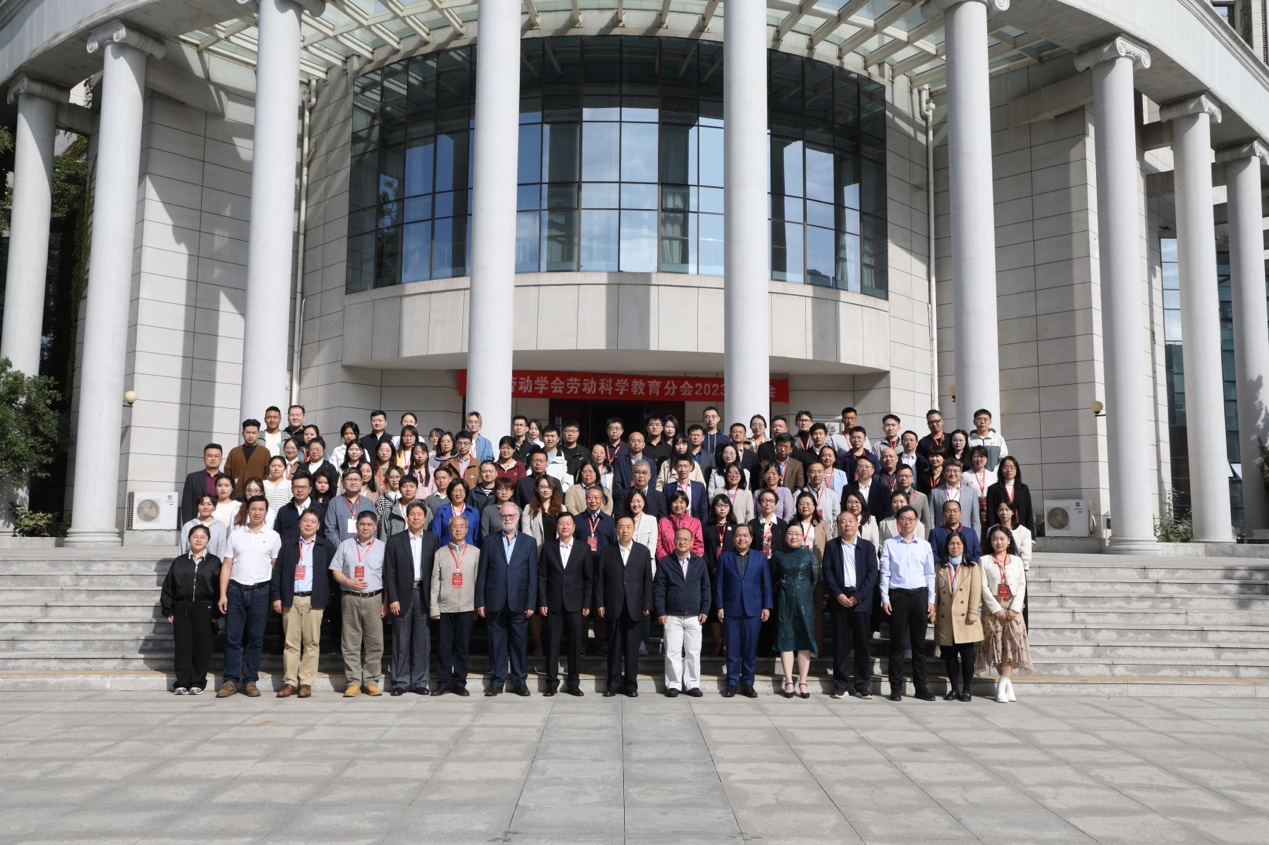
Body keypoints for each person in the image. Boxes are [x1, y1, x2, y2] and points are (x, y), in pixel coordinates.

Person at [216, 497, 281, 698]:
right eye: (254, 509)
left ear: (266, 512)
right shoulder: (235, 535)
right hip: (235, 590)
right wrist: (223, 594)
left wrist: (275, 595)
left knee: (256, 639)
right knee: (232, 639)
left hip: (261, 592)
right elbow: (227, 566)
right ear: (248, 511)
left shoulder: (273, 536)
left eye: (261, 509)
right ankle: (230, 680)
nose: (257, 512)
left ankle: (250, 680)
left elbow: (275, 567)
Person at [270, 508, 335, 698]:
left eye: (313, 522)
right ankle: (290, 682)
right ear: (299, 523)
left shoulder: (325, 546)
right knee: (291, 643)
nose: (309, 524)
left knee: (312, 643)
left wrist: (326, 596)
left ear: (318, 526)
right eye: (306, 520)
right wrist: (277, 596)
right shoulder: (288, 545)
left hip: (313, 601)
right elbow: (278, 572)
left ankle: (306, 682)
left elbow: (333, 573)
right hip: (291, 599)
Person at [475, 502, 537, 697]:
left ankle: (520, 681)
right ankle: (497, 681)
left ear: (518, 517)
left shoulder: (529, 542)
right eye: (504, 516)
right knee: (496, 643)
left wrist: (531, 602)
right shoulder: (489, 541)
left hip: (519, 600)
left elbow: (533, 575)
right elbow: (482, 573)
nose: (507, 519)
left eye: (511, 516)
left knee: (519, 643)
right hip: (495, 599)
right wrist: (480, 601)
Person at [879, 506, 937, 702]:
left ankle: (921, 687)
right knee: (896, 644)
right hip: (898, 596)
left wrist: (931, 599)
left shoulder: (924, 545)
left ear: (916, 522)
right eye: (903, 519)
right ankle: (896, 687)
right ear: (898, 521)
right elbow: (885, 572)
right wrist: (885, 598)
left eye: (911, 519)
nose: (907, 522)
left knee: (919, 645)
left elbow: (930, 574)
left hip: (920, 595)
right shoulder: (889, 544)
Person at [385, 500, 439, 696]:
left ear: (425, 518)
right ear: (406, 518)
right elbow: (389, 572)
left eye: (419, 514)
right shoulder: (395, 540)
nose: (416, 517)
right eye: (412, 514)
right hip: (402, 595)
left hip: (424, 594)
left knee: (422, 640)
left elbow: (436, 571)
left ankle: (420, 682)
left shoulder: (433, 539)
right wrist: (392, 598)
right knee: (400, 639)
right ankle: (400, 682)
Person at [161, 524, 223, 695]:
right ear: (189, 539)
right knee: (183, 646)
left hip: (206, 608)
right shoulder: (179, 562)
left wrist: (216, 612)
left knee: (202, 647)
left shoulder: (214, 562)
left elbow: (219, 589)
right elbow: (168, 587)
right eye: (195, 536)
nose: (198, 540)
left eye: (203, 537)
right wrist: (168, 610)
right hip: (182, 608)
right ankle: (181, 683)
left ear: (208, 540)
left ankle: (197, 682)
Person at [823, 510, 878, 699]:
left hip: (861, 600)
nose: (847, 524)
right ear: (838, 525)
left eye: (850, 521)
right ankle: (841, 685)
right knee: (840, 644)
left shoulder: (867, 546)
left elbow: (872, 573)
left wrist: (858, 596)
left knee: (862, 644)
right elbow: (827, 571)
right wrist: (838, 594)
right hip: (839, 599)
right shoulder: (831, 546)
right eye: (843, 521)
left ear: (857, 524)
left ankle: (862, 685)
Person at [597, 516, 653, 697]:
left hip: (635, 606)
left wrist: (647, 603)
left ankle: (630, 685)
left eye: (628, 527)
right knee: (614, 648)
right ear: (616, 530)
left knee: (632, 649)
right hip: (613, 605)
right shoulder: (607, 551)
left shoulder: (643, 551)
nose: (625, 530)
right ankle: (612, 685)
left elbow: (647, 580)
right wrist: (600, 603)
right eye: (621, 527)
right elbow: (601, 580)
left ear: (634, 529)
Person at [537, 512, 592, 696]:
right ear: (557, 527)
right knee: (552, 645)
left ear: (574, 527)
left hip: (576, 604)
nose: (565, 526)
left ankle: (573, 683)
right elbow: (542, 576)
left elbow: (588, 579)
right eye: (561, 523)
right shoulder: (548, 547)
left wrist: (587, 602)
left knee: (575, 645)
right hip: (553, 604)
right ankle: (551, 684)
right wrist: (542, 600)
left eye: (568, 523)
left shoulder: (583, 548)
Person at [714, 524, 771, 698]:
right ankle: (731, 683)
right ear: (733, 538)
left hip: (753, 609)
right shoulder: (725, 557)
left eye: (745, 535)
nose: (742, 538)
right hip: (731, 609)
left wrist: (767, 606)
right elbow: (719, 585)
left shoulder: (760, 557)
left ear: (751, 538)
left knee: (749, 650)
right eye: (738, 535)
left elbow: (766, 584)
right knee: (732, 649)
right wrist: (720, 606)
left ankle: (748, 683)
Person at [654, 527, 711, 698]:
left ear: (692, 542)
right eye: (679, 538)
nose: (682, 542)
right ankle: (673, 684)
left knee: (693, 651)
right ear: (674, 541)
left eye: (686, 539)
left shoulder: (700, 563)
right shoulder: (665, 562)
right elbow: (659, 589)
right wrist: (660, 611)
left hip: (694, 615)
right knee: (672, 652)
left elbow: (706, 588)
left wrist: (705, 609)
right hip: (672, 615)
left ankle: (692, 684)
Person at [978, 525, 1031, 703]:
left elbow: (1022, 585)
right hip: (993, 608)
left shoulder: (1017, 560)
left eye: (1002, 538)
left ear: (1009, 541)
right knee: (996, 646)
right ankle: (1006, 684)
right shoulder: (984, 560)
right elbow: (983, 587)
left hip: (1013, 606)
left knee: (1012, 644)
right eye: (995, 539)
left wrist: (1015, 608)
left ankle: (1002, 684)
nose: (998, 542)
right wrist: (996, 609)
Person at [430, 515, 480, 696]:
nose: (458, 529)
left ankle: (459, 682)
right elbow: (435, 582)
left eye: (461, 526)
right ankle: (444, 682)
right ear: (449, 529)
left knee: (462, 647)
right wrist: (434, 607)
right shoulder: (440, 553)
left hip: (466, 607)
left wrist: (477, 605)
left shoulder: (475, 552)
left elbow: (478, 581)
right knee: (444, 647)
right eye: (454, 526)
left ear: (467, 530)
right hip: (445, 607)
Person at [933, 531, 982, 702]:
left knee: (967, 655)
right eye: (952, 544)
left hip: (966, 617)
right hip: (946, 617)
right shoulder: (940, 567)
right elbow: (935, 593)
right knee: (950, 655)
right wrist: (934, 613)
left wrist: (973, 612)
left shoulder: (972, 566)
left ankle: (966, 690)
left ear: (964, 546)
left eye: (958, 544)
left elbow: (976, 591)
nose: (955, 547)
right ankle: (954, 689)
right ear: (947, 546)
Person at [771, 523, 818, 699]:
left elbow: (815, 579)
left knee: (804, 640)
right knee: (786, 640)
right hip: (784, 603)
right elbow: (773, 577)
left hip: (804, 603)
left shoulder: (809, 555)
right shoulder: (778, 555)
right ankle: (789, 681)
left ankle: (803, 681)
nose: (793, 536)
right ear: (785, 536)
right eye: (790, 533)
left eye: (797, 533)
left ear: (803, 536)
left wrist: (803, 593)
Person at [702, 494, 736, 657]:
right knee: (714, 609)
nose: (722, 508)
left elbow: (738, 550)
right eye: (718, 505)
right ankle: (717, 642)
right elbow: (702, 549)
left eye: (725, 505)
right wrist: (711, 566)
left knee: (728, 609)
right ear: (713, 507)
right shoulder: (707, 527)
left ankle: (727, 643)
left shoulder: (735, 527)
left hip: (731, 575)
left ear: (730, 508)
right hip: (711, 573)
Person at [324, 468, 378, 546]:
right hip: (340, 549)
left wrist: (368, 547)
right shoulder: (334, 503)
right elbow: (330, 529)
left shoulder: (369, 504)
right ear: (343, 482)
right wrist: (342, 548)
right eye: (349, 479)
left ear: (361, 482)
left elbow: (374, 529)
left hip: (365, 549)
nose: (353, 482)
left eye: (356, 479)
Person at [985, 456, 1035, 539]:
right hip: (1000, 533)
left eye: (1012, 467)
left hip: (1020, 531)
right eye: (1005, 467)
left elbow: (1028, 512)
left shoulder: (1023, 489)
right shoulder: (993, 489)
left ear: (1017, 469)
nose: (1009, 470)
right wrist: (991, 534)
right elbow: (990, 514)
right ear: (1000, 470)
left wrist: (1032, 537)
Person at [225, 420, 273, 498]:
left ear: (258, 434)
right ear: (243, 434)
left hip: (256, 496)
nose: (250, 436)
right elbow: (227, 472)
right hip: (236, 495)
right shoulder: (234, 452)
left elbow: (268, 473)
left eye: (254, 433)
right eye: (248, 432)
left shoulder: (264, 452)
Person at [930, 462, 981, 535]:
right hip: (942, 535)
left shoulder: (971, 492)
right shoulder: (935, 492)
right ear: (943, 473)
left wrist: (976, 538)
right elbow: (931, 518)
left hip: (965, 535)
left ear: (961, 473)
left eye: (956, 471)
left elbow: (975, 520)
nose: (952, 474)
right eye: (948, 471)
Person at [180, 443, 224, 525]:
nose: (213, 459)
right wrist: (188, 526)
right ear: (204, 459)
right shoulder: (192, 478)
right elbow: (187, 505)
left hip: (221, 521)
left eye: (216, 456)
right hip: (198, 522)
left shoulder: (228, 480)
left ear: (221, 459)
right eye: (210, 456)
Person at [179, 493, 230, 560]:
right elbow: (182, 549)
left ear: (214, 507)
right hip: (189, 564)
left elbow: (221, 550)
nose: (205, 507)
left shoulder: (220, 526)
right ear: (197, 507)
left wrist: (219, 564)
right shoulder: (188, 526)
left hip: (212, 565)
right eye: (202, 504)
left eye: (209, 504)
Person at [431, 478, 480, 547]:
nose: (458, 493)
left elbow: (476, 537)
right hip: (447, 550)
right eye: (454, 490)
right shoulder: (442, 510)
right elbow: (436, 534)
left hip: (468, 550)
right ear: (450, 493)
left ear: (466, 492)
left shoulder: (473, 512)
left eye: (461, 490)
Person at [657, 490, 704, 559]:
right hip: (667, 563)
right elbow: (658, 545)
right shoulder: (663, 522)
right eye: (675, 502)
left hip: (690, 563)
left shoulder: (695, 522)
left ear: (686, 504)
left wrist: (691, 562)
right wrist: (667, 562)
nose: (678, 505)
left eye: (681, 502)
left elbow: (698, 545)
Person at [664, 455, 708, 524]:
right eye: (680, 466)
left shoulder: (699, 487)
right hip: (674, 525)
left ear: (691, 467)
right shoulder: (667, 488)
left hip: (694, 525)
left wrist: (703, 527)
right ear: (675, 468)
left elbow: (704, 511)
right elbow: (666, 510)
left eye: (685, 466)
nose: (683, 469)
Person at [844, 454, 890, 520]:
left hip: (876, 524)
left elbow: (887, 512)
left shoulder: (883, 489)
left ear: (873, 470)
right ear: (856, 469)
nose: (864, 469)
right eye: (860, 466)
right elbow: (844, 509)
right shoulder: (847, 488)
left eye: (867, 466)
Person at [964, 446, 997, 530]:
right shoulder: (965, 475)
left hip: (990, 510)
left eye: (981, 456)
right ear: (971, 459)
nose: (978, 459)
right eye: (975, 456)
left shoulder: (993, 475)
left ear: (987, 459)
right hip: (972, 510)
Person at [379, 475, 420, 539]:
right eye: (404, 486)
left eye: (412, 486)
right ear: (400, 489)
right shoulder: (389, 512)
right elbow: (384, 537)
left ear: (417, 489)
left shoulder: (426, 511)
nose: (408, 489)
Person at [895, 465, 933, 534]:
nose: (904, 478)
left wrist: (925, 538)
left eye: (907, 476)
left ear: (913, 478)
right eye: (900, 476)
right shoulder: (892, 497)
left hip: (917, 534)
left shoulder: (922, 497)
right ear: (896, 478)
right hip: (896, 534)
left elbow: (926, 521)